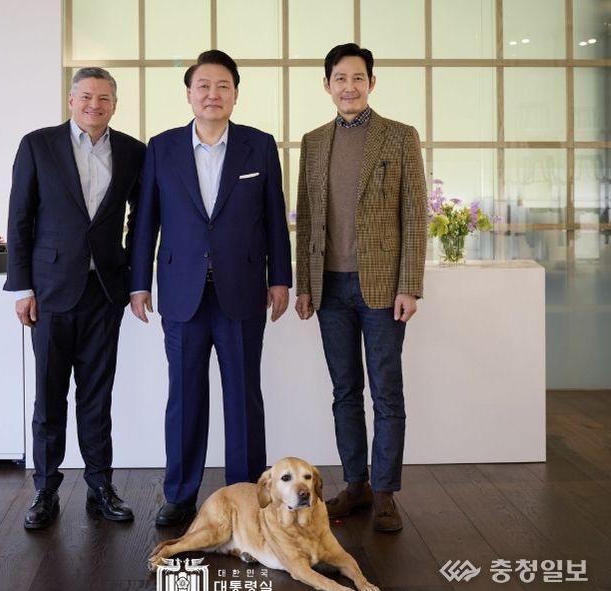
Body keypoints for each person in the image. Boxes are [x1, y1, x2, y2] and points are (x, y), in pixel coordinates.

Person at [130, 50, 292, 526]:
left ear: (236, 94)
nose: (213, 94)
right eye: (203, 85)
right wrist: (139, 284)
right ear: (189, 94)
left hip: (242, 290)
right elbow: (145, 222)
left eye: (223, 86)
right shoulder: (161, 148)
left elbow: (275, 219)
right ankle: (180, 495)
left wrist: (280, 277)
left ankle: (245, 495)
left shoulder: (259, 146)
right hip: (181, 293)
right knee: (184, 397)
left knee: (243, 398)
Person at [5, 67, 145, 529]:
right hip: (49, 293)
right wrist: (22, 287)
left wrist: (133, 276)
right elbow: (19, 219)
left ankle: (100, 486)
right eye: (86, 96)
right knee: (49, 396)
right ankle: (45, 489)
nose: (94, 105)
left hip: (104, 292)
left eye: (103, 98)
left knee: (97, 396)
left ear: (114, 105)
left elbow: (142, 220)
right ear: (71, 100)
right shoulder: (37, 145)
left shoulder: (132, 151)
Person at [294, 43, 427, 532]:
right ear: (326, 85)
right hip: (329, 287)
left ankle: (385, 492)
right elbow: (307, 218)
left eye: (357, 78)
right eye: (340, 79)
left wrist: (409, 285)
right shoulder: (313, 142)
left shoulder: (399, 136)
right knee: (345, 391)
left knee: (387, 392)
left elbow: (415, 215)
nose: (348, 87)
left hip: (382, 288)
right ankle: (356, 485)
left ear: (371, 83)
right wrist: (304, 285)